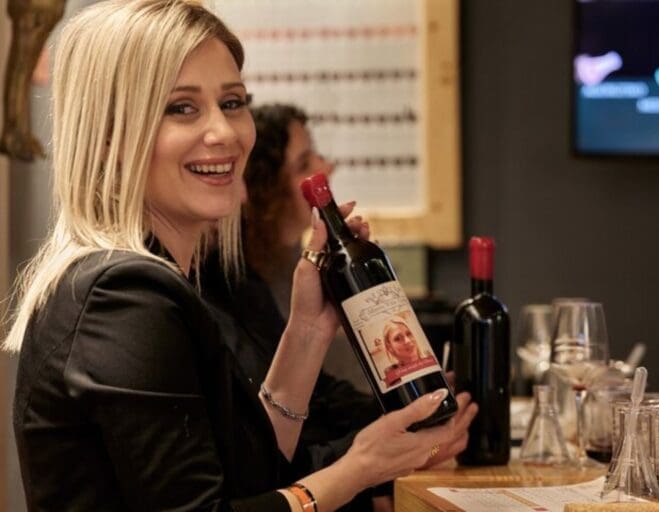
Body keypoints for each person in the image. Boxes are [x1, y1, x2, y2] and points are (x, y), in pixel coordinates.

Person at [3, 2, 458, 511]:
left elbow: (251, 475)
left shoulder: (164, 280)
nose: (225, 133)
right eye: (182, 108)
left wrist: (307, 329)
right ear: (110, 135)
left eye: (233, 102)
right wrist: (358, 470)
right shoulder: (122, 296)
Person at [201, 103, 478, 511]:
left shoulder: (273, 276)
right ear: (259, 192)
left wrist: (413, 417)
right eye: (303, 164)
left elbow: (313, 404)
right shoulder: (210, 287)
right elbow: (263, 462)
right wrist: (373, 467)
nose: (324, 167)